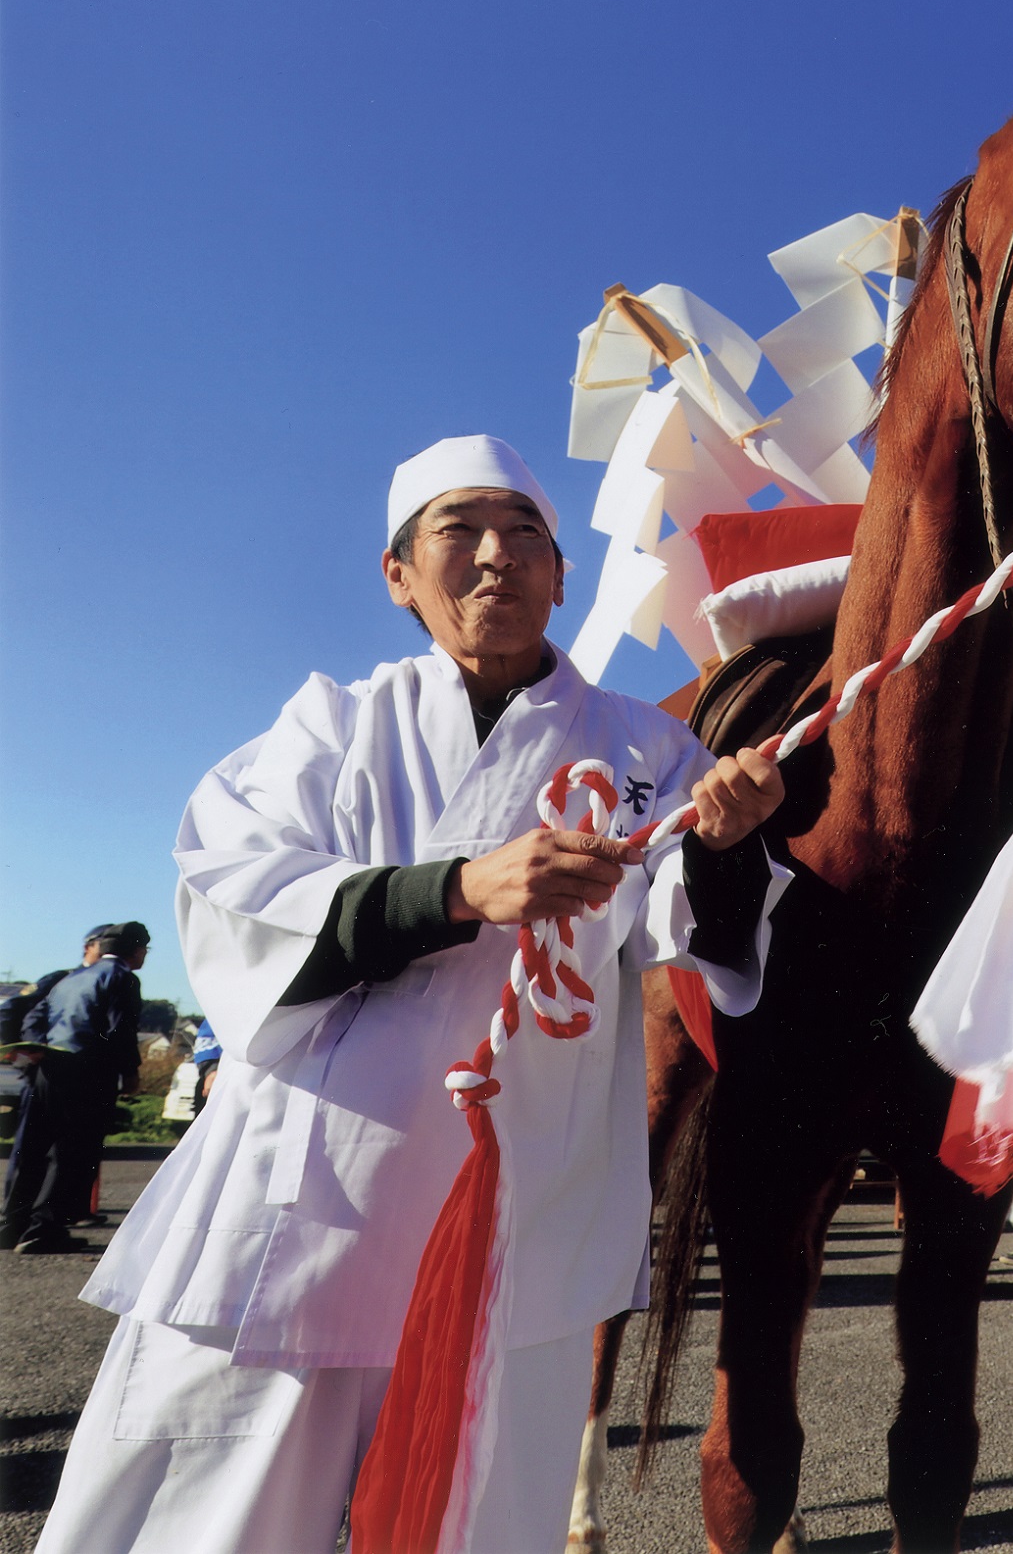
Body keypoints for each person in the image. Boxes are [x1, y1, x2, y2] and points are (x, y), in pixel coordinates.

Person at [38, 436, 790, 1554]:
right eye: (461, 531)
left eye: (526, 533)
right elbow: (236, 894)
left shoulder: (648, 748)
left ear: (562, 574)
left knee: (476, 1527)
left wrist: (728, 845)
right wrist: (454, 890)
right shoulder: (328, 731)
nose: (498, 557)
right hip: (305, 1203)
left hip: (518, 1218)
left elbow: (689, 929)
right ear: (398, 575)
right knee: (205, 1522)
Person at [3, 924, 147, 1254]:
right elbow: (120, 1028)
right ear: (136, 950)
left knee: (34, 1147)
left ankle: (14, 1226)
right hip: (87, 1072)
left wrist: (38, 1048)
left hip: (49, 1068)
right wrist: (130, 1072)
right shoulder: (122, 977)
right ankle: (46, 1229)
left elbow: (37, 1014)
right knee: (71, 1152)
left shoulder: (70, 978)